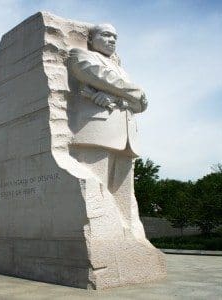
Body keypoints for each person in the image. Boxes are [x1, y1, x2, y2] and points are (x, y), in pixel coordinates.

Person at [68, 23, 148, 238]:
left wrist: (114, 97)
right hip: (97, 130)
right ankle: (101, 235)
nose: (112, 40)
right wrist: (135, 92)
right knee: (95, 187)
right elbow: (95, 74)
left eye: (115, 36)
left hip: (126, 135)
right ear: (91, 39)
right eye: (106, 35)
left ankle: (128, 236)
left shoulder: (122, 70)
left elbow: (141, 105)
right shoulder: (81, 55)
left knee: (124, 194)